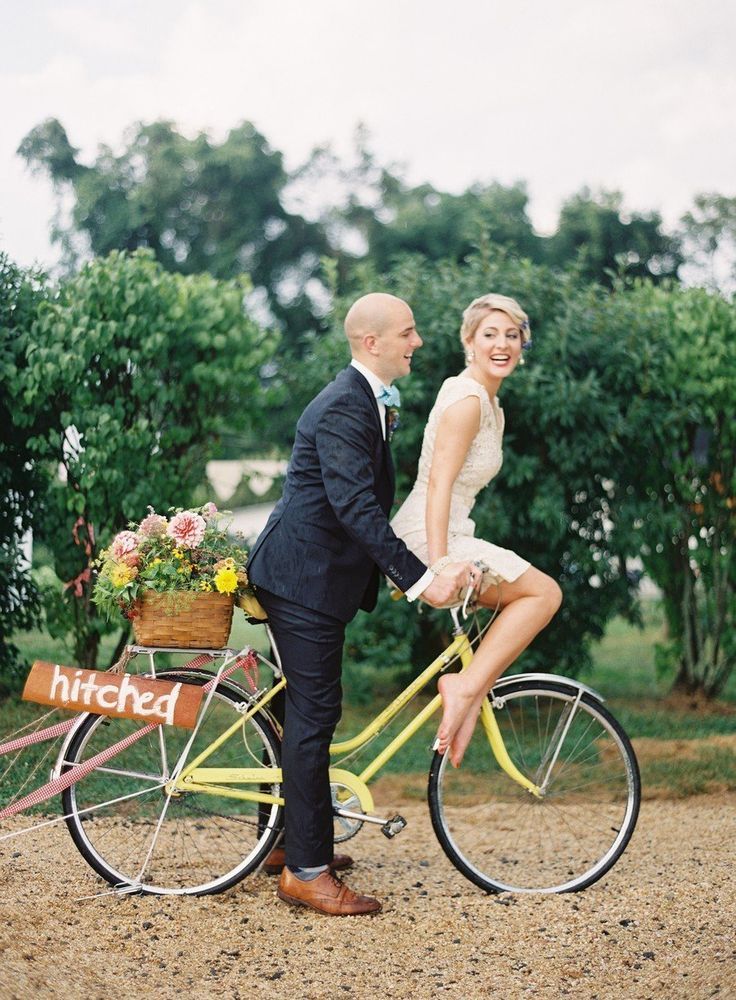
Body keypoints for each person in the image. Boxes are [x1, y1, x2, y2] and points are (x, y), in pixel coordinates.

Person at [247, 292, 477, 916]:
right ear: (371, 342)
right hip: (303, 577)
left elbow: (361, 503)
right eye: (408, 332)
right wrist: (419, 576)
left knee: (300, 705)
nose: (418, 342)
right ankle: (306, 870)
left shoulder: (364, 400)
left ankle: (282, 842)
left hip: (308, 572)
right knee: (315, 712)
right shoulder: (345, 406)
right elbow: (354, 508)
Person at [391, 293, 563, 769]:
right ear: (469, 340)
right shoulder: (467, 400)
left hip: (445, 528)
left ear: (523, 345)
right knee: (543, 595)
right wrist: (442, 561)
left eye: (512, 335)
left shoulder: (487, 399)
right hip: (429, 534)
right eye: (490, 334)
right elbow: (438, 486)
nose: (502, 344)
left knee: (531, 602)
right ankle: (464, 686)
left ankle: (467, 695)